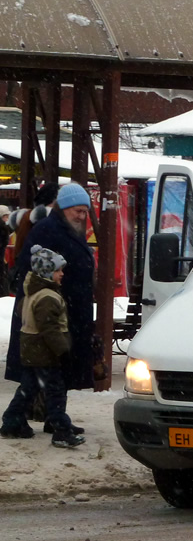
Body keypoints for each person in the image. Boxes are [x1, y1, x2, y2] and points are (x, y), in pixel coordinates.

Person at [5, 183, 97, 412]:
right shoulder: (49, 230)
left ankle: (46, 418)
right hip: (52, 312)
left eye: (85, 211)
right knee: (47, 371)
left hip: (65, 309)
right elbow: (36, 271)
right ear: (63, 207)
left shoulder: (65, 229)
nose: (82, 216)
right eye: (78, 211)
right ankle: (40, 419)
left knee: (51, 372)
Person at [0, 246, 85, 447]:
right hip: (46, 353)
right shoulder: (48, 297)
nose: (62, 274)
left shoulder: (32, 293)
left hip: (31, 350)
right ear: (47, 272)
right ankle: (60, 429)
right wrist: (62, 350)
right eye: (58, 270)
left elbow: (23, 313)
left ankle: (12, 420)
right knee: (55, 391)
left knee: (29, 387)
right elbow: (50, 329)